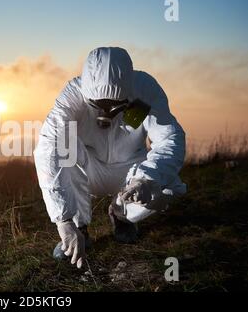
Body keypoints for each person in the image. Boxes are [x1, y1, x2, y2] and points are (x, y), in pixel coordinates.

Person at [33, 47, 186, 269]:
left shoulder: (145, 90)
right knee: (62, 146)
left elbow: (170, 138)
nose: (106, 113)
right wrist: (62, 220)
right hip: (88, 169)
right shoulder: (72, 95)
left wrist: (146, 179)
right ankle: (78, 228)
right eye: (98, 105)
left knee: (167, 185)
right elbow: (48, 148)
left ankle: (122, 214)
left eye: (114, 106)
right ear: (87, 92)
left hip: (132, 173)